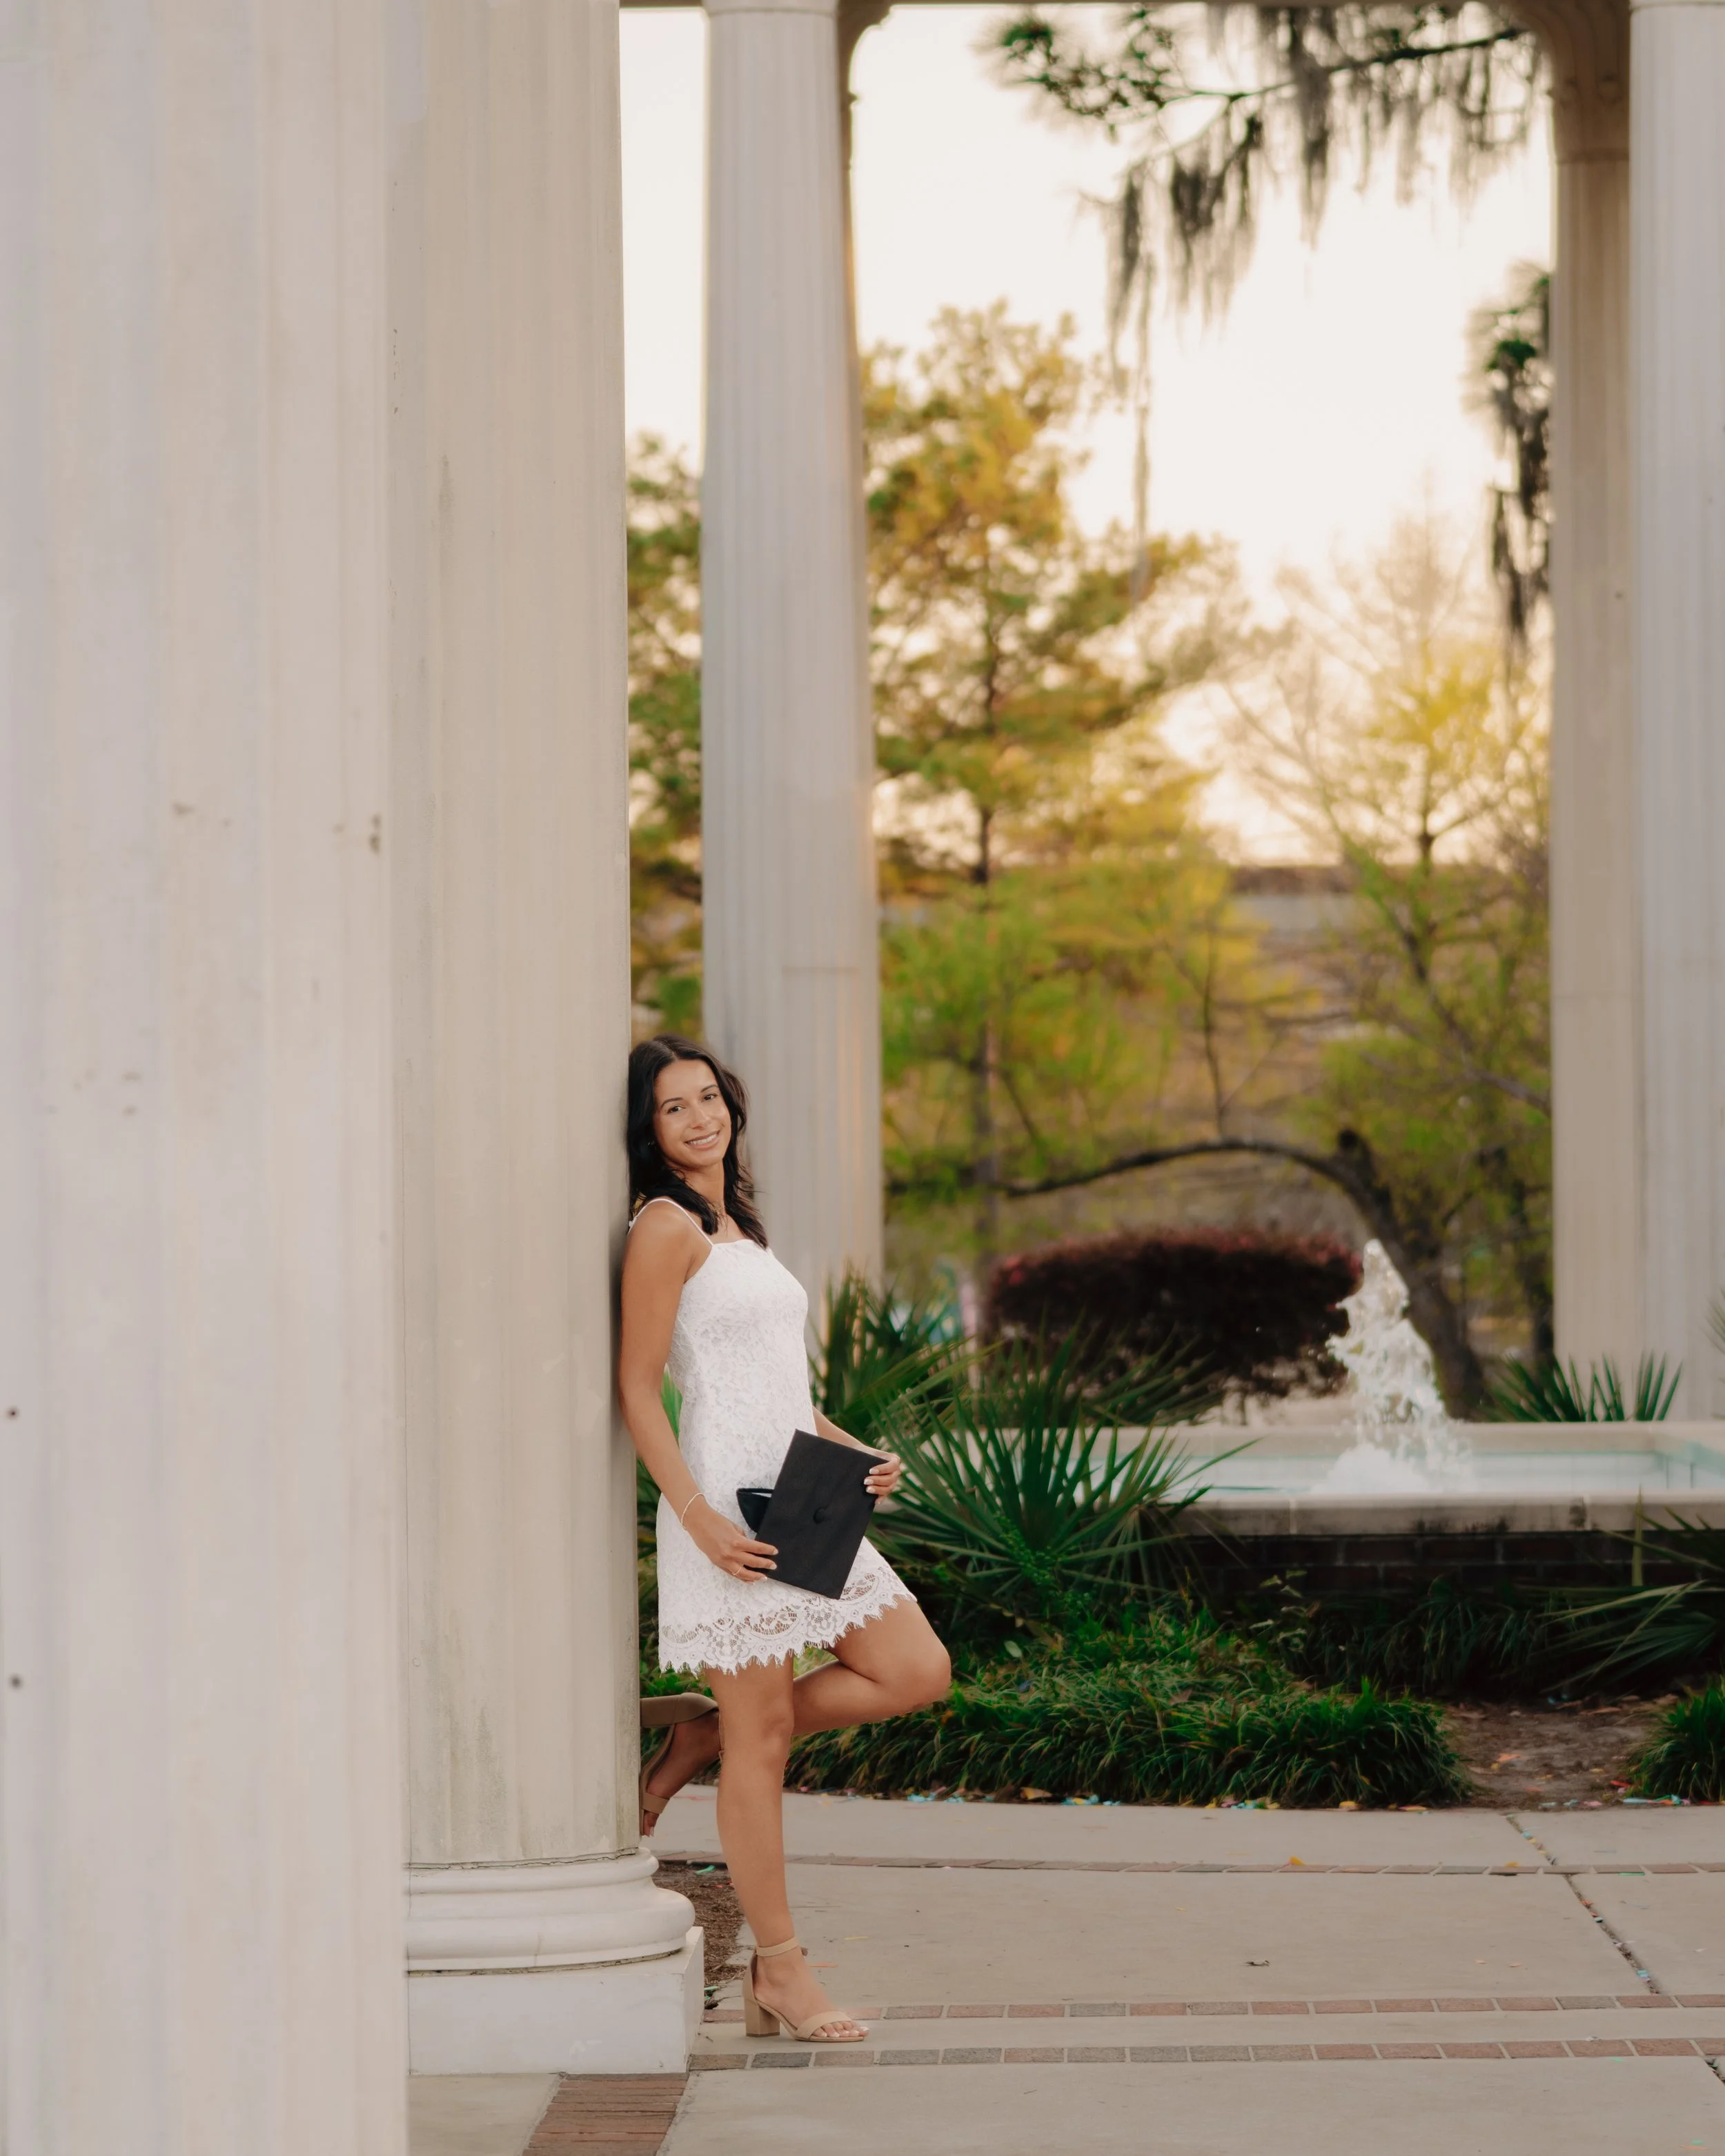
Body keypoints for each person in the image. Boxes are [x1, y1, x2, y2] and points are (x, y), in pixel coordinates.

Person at [619, 1034, 952, 2045]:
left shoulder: (739, 1229)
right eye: (674, 1108)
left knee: (914, 1669)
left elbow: (786, 1395)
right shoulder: (663, 1228)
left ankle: (698, 1738)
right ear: (651, 1129)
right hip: (728, 1510)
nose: (699, 1119)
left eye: (708, 1098)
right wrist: (697, 1518)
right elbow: (640, 1387)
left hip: (803, 1490)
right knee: (765, 1747)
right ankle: (782, 1970)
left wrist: (861, 1454)